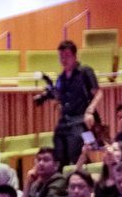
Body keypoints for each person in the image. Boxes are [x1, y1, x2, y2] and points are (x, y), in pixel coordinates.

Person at [43, 39, 102, 168]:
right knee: (59, 155)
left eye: (67, 56)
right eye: (61, 57)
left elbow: (98, 93)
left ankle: (86, 177)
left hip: (81, 120)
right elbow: (59, 97)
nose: (64, 60)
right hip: (64, 122)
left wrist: (90, 111)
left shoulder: (85, 71)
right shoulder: (61, 78)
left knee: (75, 153)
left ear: (75, 56)